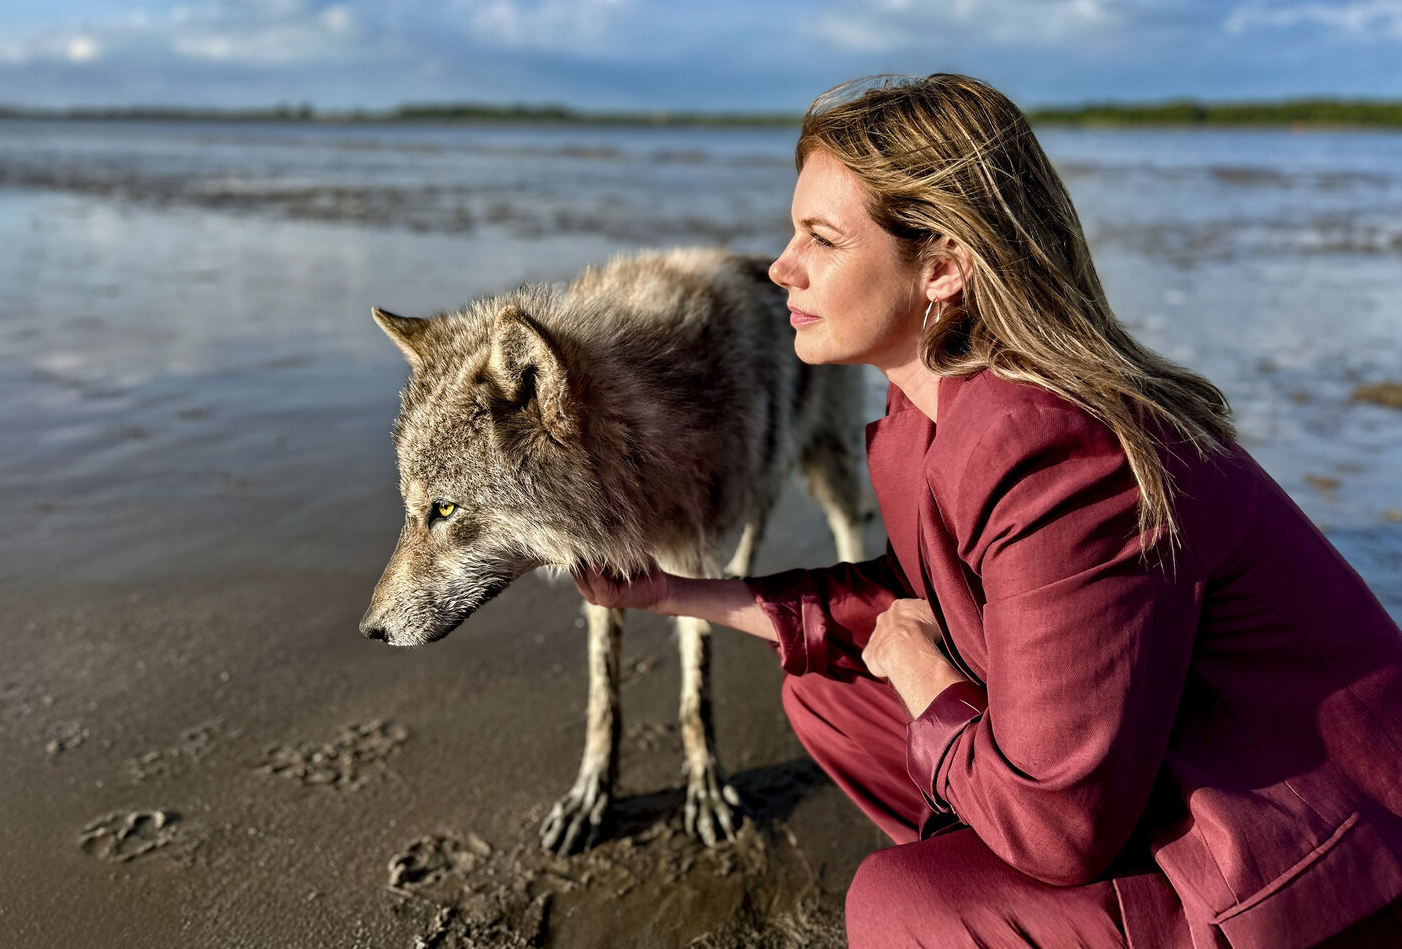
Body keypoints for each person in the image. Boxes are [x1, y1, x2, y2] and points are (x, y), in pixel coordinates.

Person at [570, 74, 1402, 949]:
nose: (781, 266)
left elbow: (1059, 828)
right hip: (1150, 776)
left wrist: (930, 686)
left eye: (820, 238)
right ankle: (1005, 880)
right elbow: (909, 600)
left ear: (942, 267)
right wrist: (669, 594)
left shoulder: (1053, 448)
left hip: (1315, 872)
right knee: (834, 696)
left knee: (899, 905)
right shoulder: (932, 408)